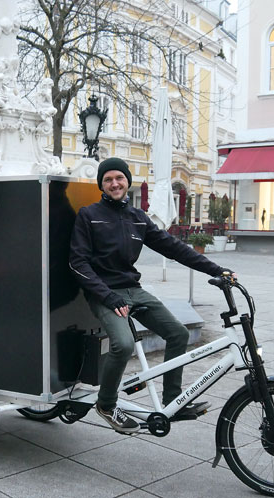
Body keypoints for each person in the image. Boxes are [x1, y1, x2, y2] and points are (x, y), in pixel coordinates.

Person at [69, 157, 234, 433]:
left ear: (127, 181)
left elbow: (174, 248)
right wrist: (108, 297)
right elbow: (78, 263)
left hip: (134, 290)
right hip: (103, 292)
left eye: (119, 178)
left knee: (178, 334)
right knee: (122, 344)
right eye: (108, 179)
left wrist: (216, 269)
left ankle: (173, 401)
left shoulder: (137, 218)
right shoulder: (89, 215)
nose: (114, 183)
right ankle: (106, 404)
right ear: (102, 184)